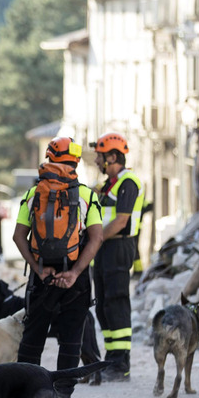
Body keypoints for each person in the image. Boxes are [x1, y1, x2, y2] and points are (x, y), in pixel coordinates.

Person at [13, 138, 103, 398]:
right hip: (75, 279)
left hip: (42, 277)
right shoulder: (87, 195)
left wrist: (39, 269)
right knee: (71, 338)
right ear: (75, 162)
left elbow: (18, 236)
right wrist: (75, 272)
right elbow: (97, 237)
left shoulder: (32, 194)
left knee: (33, 336)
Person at [89, 132, 145, 382]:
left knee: (117, 302)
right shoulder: (107, 184)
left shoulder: (128, 182)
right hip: (103, 249)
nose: (96, 162)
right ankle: (111, 358)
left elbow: (121, 220)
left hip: (119, 248)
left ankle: (121, 364)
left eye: (100, 157)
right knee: (103, 305)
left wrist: (94, 239)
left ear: (113, 156)